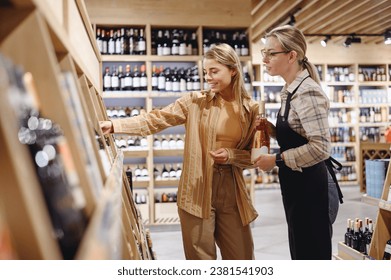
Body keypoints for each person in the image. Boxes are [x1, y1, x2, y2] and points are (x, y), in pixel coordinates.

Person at [100, 43, 259, 260]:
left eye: (214, 71)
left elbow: (255, 156)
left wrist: (231, 155)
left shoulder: (251, 109)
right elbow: (156, 119)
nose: (208, 77)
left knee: (242, 260)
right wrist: (116, 126)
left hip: (232, 192)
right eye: (205, 72)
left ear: (233, 70)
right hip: (196, 191)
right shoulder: (195, 101)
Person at [253, 25, 339, 260]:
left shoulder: (307, 92)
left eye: (271, 53)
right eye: (264, 52)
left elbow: (321, 148)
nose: (265, 59)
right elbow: (296, 133)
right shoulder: (290, 90)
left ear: (291, 56)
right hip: (296, 186)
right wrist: (269, 130)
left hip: (312, 189)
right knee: (300, 253)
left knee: (312, 256)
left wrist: (276, 159)